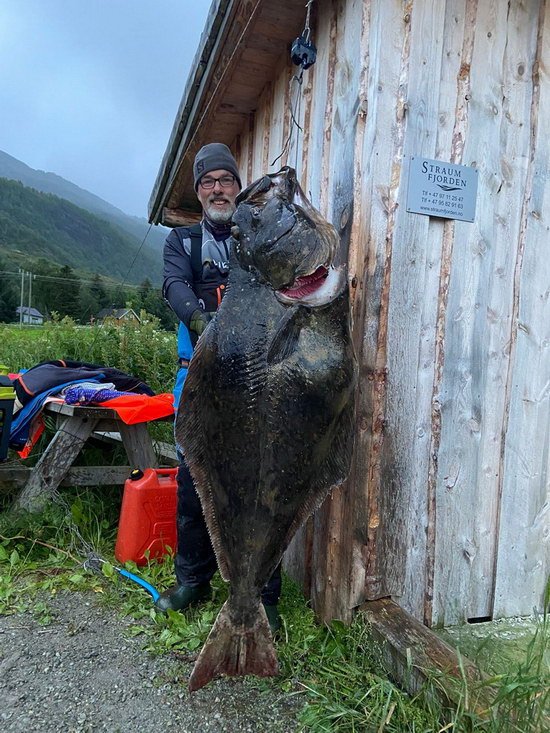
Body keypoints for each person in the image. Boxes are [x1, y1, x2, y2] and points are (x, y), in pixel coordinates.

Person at [156, 143, 282, 633]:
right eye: (208, 181)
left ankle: (263, 592)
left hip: (256, 380)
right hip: (201, 377)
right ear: (199, 190)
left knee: (259, 486)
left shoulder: (258, 237)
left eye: (225, 180)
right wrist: (200, 318)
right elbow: (172, 286)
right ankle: (193, 579)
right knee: (194, 485)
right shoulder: (183, 242)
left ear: (237, 186)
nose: (217, 188)